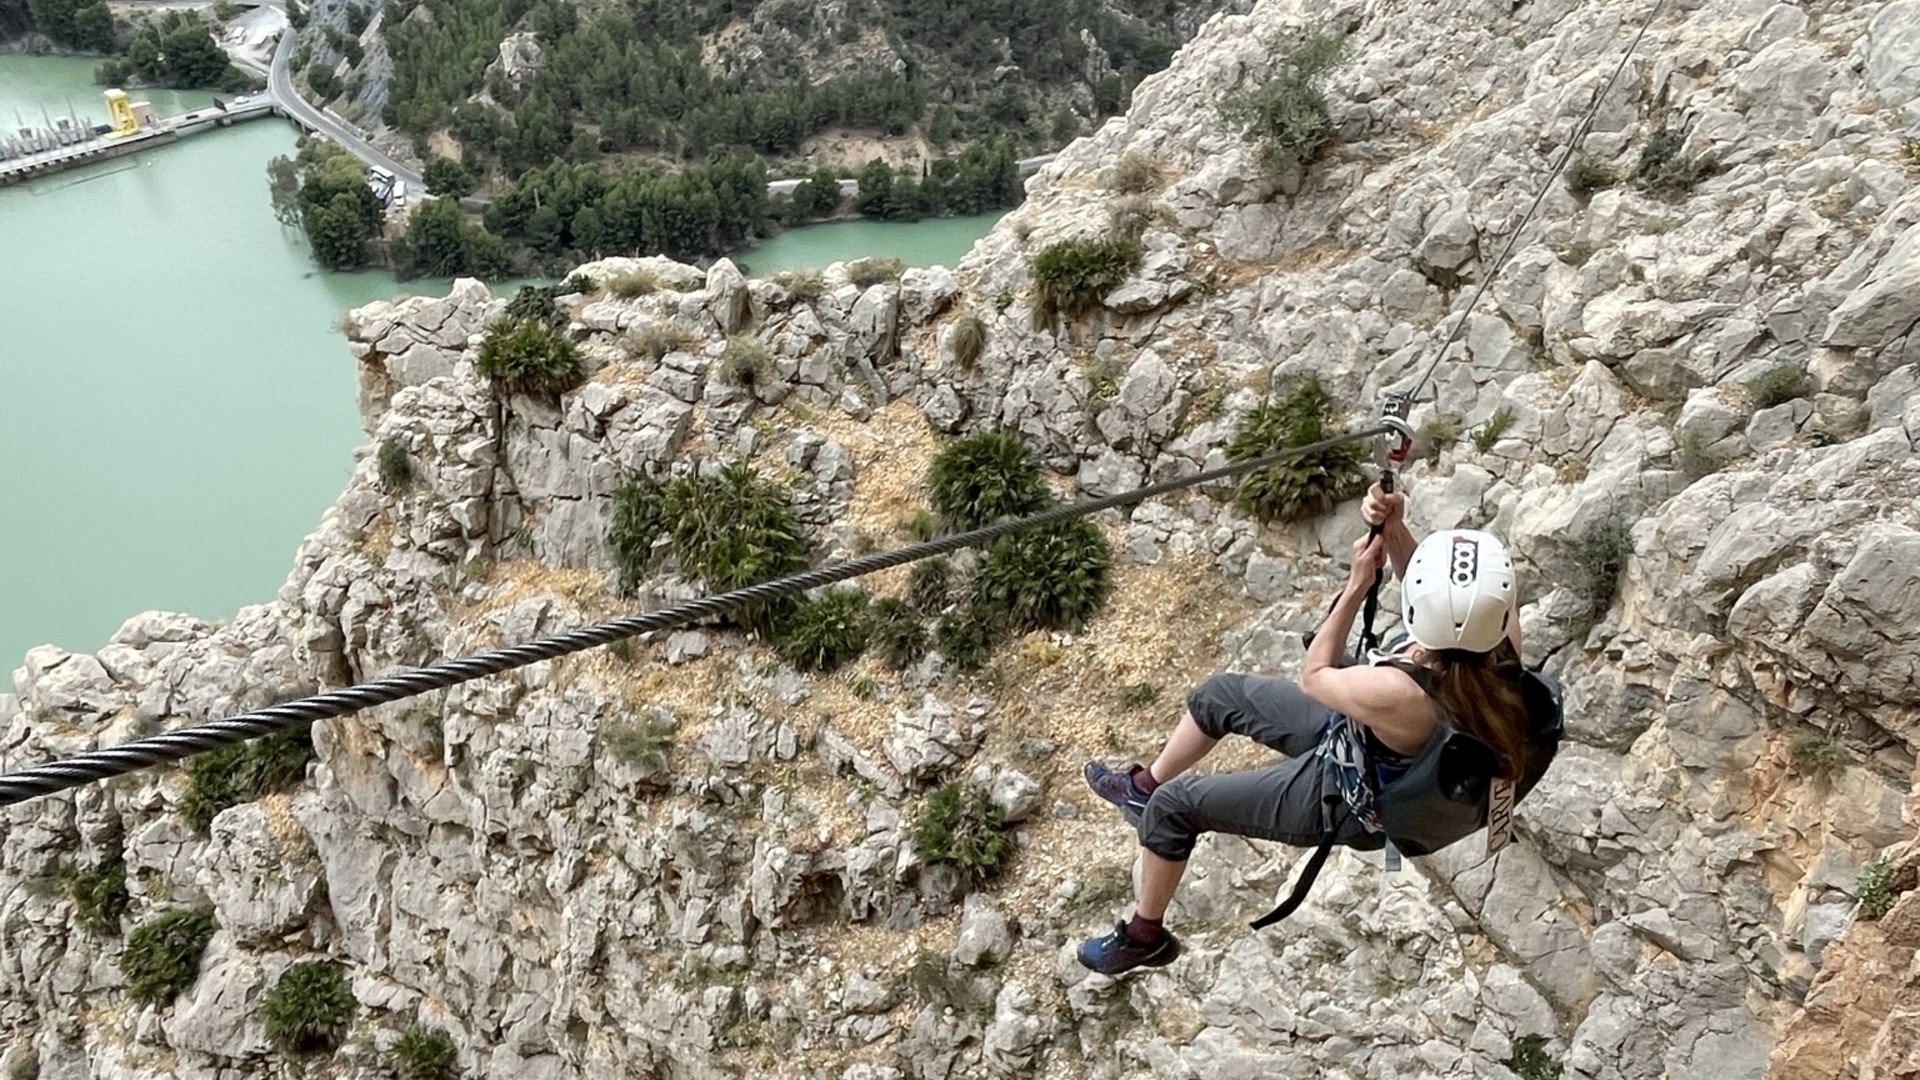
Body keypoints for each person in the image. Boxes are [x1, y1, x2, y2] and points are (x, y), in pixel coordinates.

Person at [1076, 482, 1535, 975]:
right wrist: (1396, 528)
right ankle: (1142, 788)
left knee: (1175, 809)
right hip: (1365, 742)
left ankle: (1144, 937)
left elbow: (1317, 675)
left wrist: (1358, 584)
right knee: (1220, 695)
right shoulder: (1499, 642)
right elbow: (1440, 605)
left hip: (1345, 794)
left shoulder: (1402, 693)